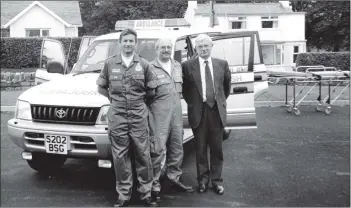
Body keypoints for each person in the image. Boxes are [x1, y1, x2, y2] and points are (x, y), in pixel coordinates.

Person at [96, 28, 158, 207]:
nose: (128, 44)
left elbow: (151, 91)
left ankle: (145, 193)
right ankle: (123, 194)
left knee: (143, 154)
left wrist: (138, 103)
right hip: (118, 116)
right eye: (125, 41)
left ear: (135, 43)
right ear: (120, 43)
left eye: (132, 41)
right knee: (120, 156)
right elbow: (101, 86)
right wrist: (114, 100)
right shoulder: (110, 64)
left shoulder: (145, 65)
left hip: (139, 115)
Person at [181, 34, 231, 195]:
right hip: (199, 112)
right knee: (200, 149)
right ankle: (202, 181)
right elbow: (186, 91)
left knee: (217, 149)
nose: (203, 49)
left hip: (216, 112)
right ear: (196, 48)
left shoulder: (222, 64)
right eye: (200, 46)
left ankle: (217, 181)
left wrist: (216, 102)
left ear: (211, 46)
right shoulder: (187, 66)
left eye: (206, 46)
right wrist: (196, 104)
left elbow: (226, 88)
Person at [147, 38, 194, 203]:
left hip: (176, 114)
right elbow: (147, 95)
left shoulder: (177, 66)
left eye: (168, 47)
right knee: (157, 149)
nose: (166, 50)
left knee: (176, 146)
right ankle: (154, 184)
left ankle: (174, 178)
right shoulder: (150, 68)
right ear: (156, 49)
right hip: (158, 114)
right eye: (162, 47)